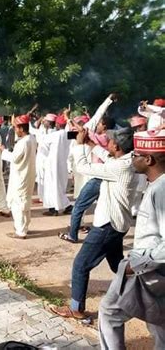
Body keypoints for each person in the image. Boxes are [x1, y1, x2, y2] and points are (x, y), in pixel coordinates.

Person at [51, 128, 135, 320]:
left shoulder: (119, 167)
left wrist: (79, 145)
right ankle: (140, 296)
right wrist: (90, 143)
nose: (108, 142)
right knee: (119, 266)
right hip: (117, 224)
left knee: (81, 265)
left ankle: (76, 309)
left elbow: (82, 167)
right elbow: (107, 156)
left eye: (111, 141)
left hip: (107, 225)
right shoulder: (126, 159)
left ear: (118, 146)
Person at [98, 129, 165, 349]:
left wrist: (136, 264)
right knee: (159, 323)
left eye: (135, 155)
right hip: (152, 270)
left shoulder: (162, 190)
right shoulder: (155, 184)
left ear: (149, 159)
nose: (131, 158)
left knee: (110, 312)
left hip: (149, 272)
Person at [60, 94, 117, 242]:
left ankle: (75, 231)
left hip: (91, 173)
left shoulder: (94, 135)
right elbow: (71, 133)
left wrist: (108, 100)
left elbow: (97, 114)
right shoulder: (88, 135)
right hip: (85, 172)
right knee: (86, 201)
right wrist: (69, 120)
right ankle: (82, 225)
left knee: (80, 203)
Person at [3, 114, 37, 239]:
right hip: (26, 175)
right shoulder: (31, 138)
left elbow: (14, 158)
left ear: (21, 129)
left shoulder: (23, 142)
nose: (15, 131)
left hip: (21, 177)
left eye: (16, 128)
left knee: (18, 204)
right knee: (25, 202)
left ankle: (20, 231)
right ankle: (24, 227)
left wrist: (3, 151)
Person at [42, 112, 73, 216]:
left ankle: (59, 208)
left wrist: (44, 130)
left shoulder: (55, 135)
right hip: (63, 164)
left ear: (58, 125)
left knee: (52, 186)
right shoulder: (68, 134)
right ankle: (56, 208)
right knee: (58, 186)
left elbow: (42, 140)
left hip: (53, 164)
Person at [30, 113, 56, 203]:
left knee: (42, 178)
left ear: (49, 123)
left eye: (45, 121)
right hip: (49, 159)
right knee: (46, 178)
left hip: (44, 159)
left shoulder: (45, 134)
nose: (43, 122)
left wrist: (27, 117)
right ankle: (44, 197)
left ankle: (43, 197)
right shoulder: (52, 131)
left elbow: (31, 130)